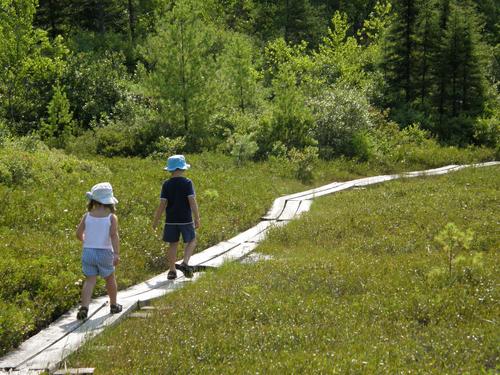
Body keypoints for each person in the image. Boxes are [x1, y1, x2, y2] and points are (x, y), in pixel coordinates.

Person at [75, 182, 122, 320]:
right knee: (109, 279)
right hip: (105, 253)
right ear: (109, 201)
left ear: (93, 200)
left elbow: (78, 234)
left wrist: (86, 241)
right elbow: (114, 236)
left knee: (90, 280)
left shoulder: (87, 215)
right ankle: (113, 305)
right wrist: (116, 253)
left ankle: (84, 307)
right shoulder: (111, 217)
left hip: (88, 252)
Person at [152, 155, 200, 280]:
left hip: (171, 220)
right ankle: (184, 263)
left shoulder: (166, 184)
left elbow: (162, 204)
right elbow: (192, 201)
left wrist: (156, 221)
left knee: (173, 244)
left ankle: (172, 270)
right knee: (192, 240)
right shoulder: (187, 183)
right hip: (185, 219)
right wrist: (197, 217)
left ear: (170, 169)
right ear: (183, 169)